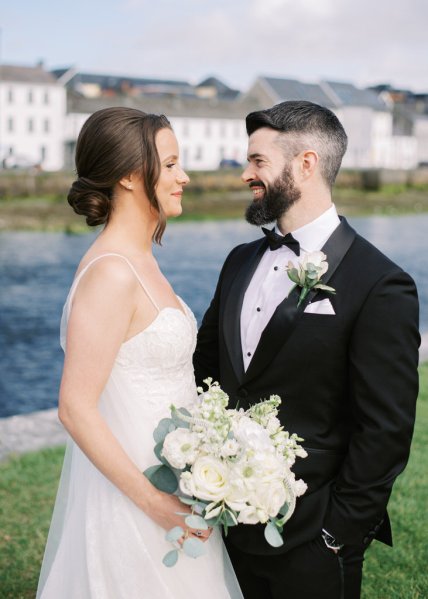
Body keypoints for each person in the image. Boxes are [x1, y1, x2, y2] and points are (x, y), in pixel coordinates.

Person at [193, 100, 420, 599]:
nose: (246, 175)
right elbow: (206, 371)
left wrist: (336, 533)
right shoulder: (238, 260)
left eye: (258, 161)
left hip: (313, 541)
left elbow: (385, 428)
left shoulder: (380, 283)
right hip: (222, 528)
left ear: (306, 164)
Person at [37, 107, 243, 599]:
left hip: (176, 485)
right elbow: (75, 407)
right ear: (131, 176)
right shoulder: (111, 273)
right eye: (170, 165)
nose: (185, 177)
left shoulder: (142, 259)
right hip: (135, 500)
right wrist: (154, 504)